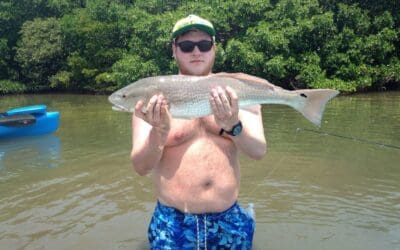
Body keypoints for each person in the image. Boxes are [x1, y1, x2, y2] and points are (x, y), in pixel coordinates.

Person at [130, 14, 267, 249]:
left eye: (204, 45)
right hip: (173, 223)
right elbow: (141, 167)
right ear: (174, 49)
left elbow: (258, 151)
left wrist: (234, 126)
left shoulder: (239, 90)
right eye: (186, 46)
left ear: (214, 48)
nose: (196, 52)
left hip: (228, 220)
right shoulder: (152, 97)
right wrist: (159, 132)